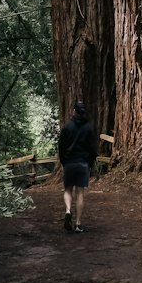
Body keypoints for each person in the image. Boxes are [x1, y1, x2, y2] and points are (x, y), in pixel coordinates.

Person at [57, 100, 97, 233]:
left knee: (68, 189)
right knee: (80, 193)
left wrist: (64, 162)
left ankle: (68, 210)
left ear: (74, 111)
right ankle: (78, 224)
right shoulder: (89, 128)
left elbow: (61, 147)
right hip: (83, 163)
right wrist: (89, 164)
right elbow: (93, 149)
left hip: (69, 163)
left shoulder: (67, 127)